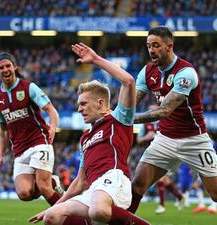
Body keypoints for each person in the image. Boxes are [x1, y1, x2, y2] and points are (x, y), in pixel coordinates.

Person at [127, 26, 217, 214]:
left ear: (169, 47)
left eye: (156, 45)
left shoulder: (186, 73)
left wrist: (127, 119)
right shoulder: (147, 72)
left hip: (194, 140)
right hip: (165, 139)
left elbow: (164, 111)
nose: (151, 50)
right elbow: (130, 104)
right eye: (148, 46)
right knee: (137, 186)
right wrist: (116, 115)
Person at [29, 43, 150, 225]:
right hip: (94, 190)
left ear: (101, 104)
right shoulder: (85, 138)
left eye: (83, 104)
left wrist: (95, 60)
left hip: (114, 181)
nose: (79, 109)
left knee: (98, 209)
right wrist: (52, 207)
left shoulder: (119, 119)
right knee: (52, 218)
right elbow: (79, 181)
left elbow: (128, 81)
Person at [0, 52, 63, 204]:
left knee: (44, 187)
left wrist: (53, 126)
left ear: (15, 67)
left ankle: (70, 218)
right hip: (19, 150)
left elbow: (51, 109)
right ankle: (54, 183)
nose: (5, 70)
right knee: (24, 194)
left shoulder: (29, 87)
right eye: (1, 67)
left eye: (8, 66)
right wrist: (0, 156)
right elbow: (3, 128)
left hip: (39, 143)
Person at [136, 104, 183, 214]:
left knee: (160, 179)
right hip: (150, 154)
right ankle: (179, 196)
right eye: (150, 110)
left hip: (165, 152)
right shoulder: (145, 125)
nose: (151, 112)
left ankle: (162, 205)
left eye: (154, 110)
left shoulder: (164, 121)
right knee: (163, 180)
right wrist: (146, 137)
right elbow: (138, 140)